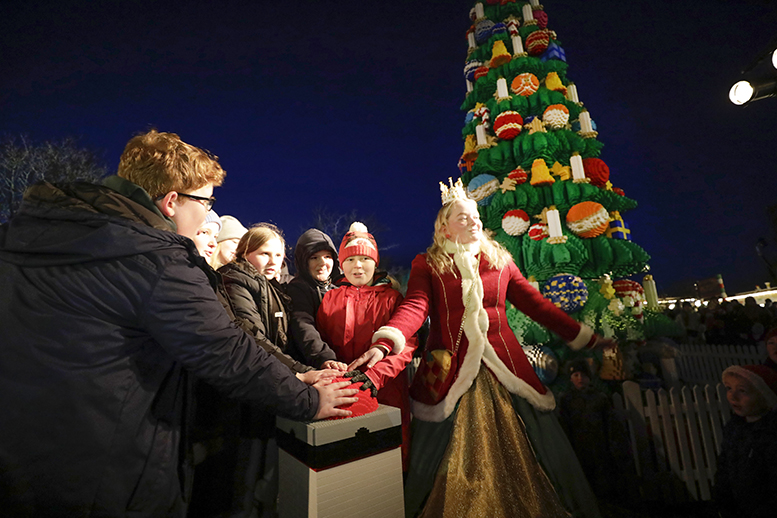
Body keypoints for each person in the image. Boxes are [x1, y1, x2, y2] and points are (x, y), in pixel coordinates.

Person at [0, 129, 357, 516]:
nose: (207, 213)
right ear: (172, 202)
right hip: (103, 469)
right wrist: (306, 399)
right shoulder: (156, 257)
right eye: (206, 202)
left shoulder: (25, 234)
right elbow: (225, 349)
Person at [349, 181, 611, 518]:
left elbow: (538, 307)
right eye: (463, 217)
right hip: (449, 368)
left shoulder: (499, 260)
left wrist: (586, 338)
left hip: (506, 366)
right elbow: (415, 306)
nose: (474, 222)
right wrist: (386, 343)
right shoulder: (428, 263)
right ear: (444, 226)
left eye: (475, 216)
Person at [218, 223, 341, 517]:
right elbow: (253, 338)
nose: (273, 261)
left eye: (278, 255)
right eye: (264, 253)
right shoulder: (235, 280)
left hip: (269, 384)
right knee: (243, 471)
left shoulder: (270, 287)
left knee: (262, 468)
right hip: (246, 392)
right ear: (244, 252)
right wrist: (301, 372)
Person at [316, 222, 417, 470]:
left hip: (387, 390)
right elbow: (321, 340)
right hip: (344, 392)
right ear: (341, 264)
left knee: (387, 457)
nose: (357, 266)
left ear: (375, 262)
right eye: (350, 260)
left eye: (364, 258)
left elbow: (406, 345)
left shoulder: (392, 298)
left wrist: (374, 376)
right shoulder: (330, 298)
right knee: (348, 457)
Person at [557, 359, 635, 506]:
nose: (580, 379)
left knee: (604, 487)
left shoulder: (599, 398)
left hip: (600, 449)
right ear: (571, 378)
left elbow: (611, 425)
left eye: (583, 375)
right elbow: (565, 426)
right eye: (576, 375)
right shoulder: (566, 400)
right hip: (579, 450)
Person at [713, 364, 777, 517]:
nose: (733, 396)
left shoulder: (771, 433)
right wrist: (722, 502)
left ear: (764, 396)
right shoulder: (734, 428)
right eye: (729, 388)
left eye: (742, 391)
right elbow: (724, 467)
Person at [286, 228, 346, 370]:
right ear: (303, 262)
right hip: (316, 366)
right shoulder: (298, 289)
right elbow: (303, 326)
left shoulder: (338, 290)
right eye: (314, 257)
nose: (322, 263)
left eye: (327, 257)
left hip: (343, 362)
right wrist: (323, 357)